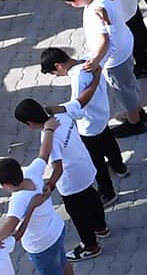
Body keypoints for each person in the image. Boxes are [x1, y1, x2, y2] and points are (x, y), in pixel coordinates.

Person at [14, 93, 107, 261]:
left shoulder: (48, 136)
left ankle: (90, 246)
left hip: (71, 182)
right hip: (85, 166)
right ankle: (101, 228)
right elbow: (75, 108)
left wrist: (49, 186)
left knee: (78, 214)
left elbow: (58, 168)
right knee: (93, 198)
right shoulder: (60, 114)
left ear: (30, 123)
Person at [0, 157, 83, 275]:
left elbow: (11, 225)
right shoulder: (32, 172)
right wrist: (48, 131)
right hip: (56, 230)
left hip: (41, 245)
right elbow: (44, 154)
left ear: (6, 184)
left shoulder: (18, 200)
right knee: (62, 263)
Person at [58, 0, 146, 135]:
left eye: (70, 3)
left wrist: (95, 61)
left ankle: (135, 121)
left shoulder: (95, 12)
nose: (71, 5)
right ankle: (135, 111)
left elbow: (104, 42)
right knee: (129, 82)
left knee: (123, 89)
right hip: (125, 42)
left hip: (115, 58)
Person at [41, 45, 126, 199]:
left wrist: (57, 110)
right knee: (109, 142)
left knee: (96, 161)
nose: (57, 75)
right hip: (102, 114)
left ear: (57, 66)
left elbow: (78, 105)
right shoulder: (89, 61)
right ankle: (119, 167)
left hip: (89, 124)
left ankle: (108, 192)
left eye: (54, 73)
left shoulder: (78, 77)